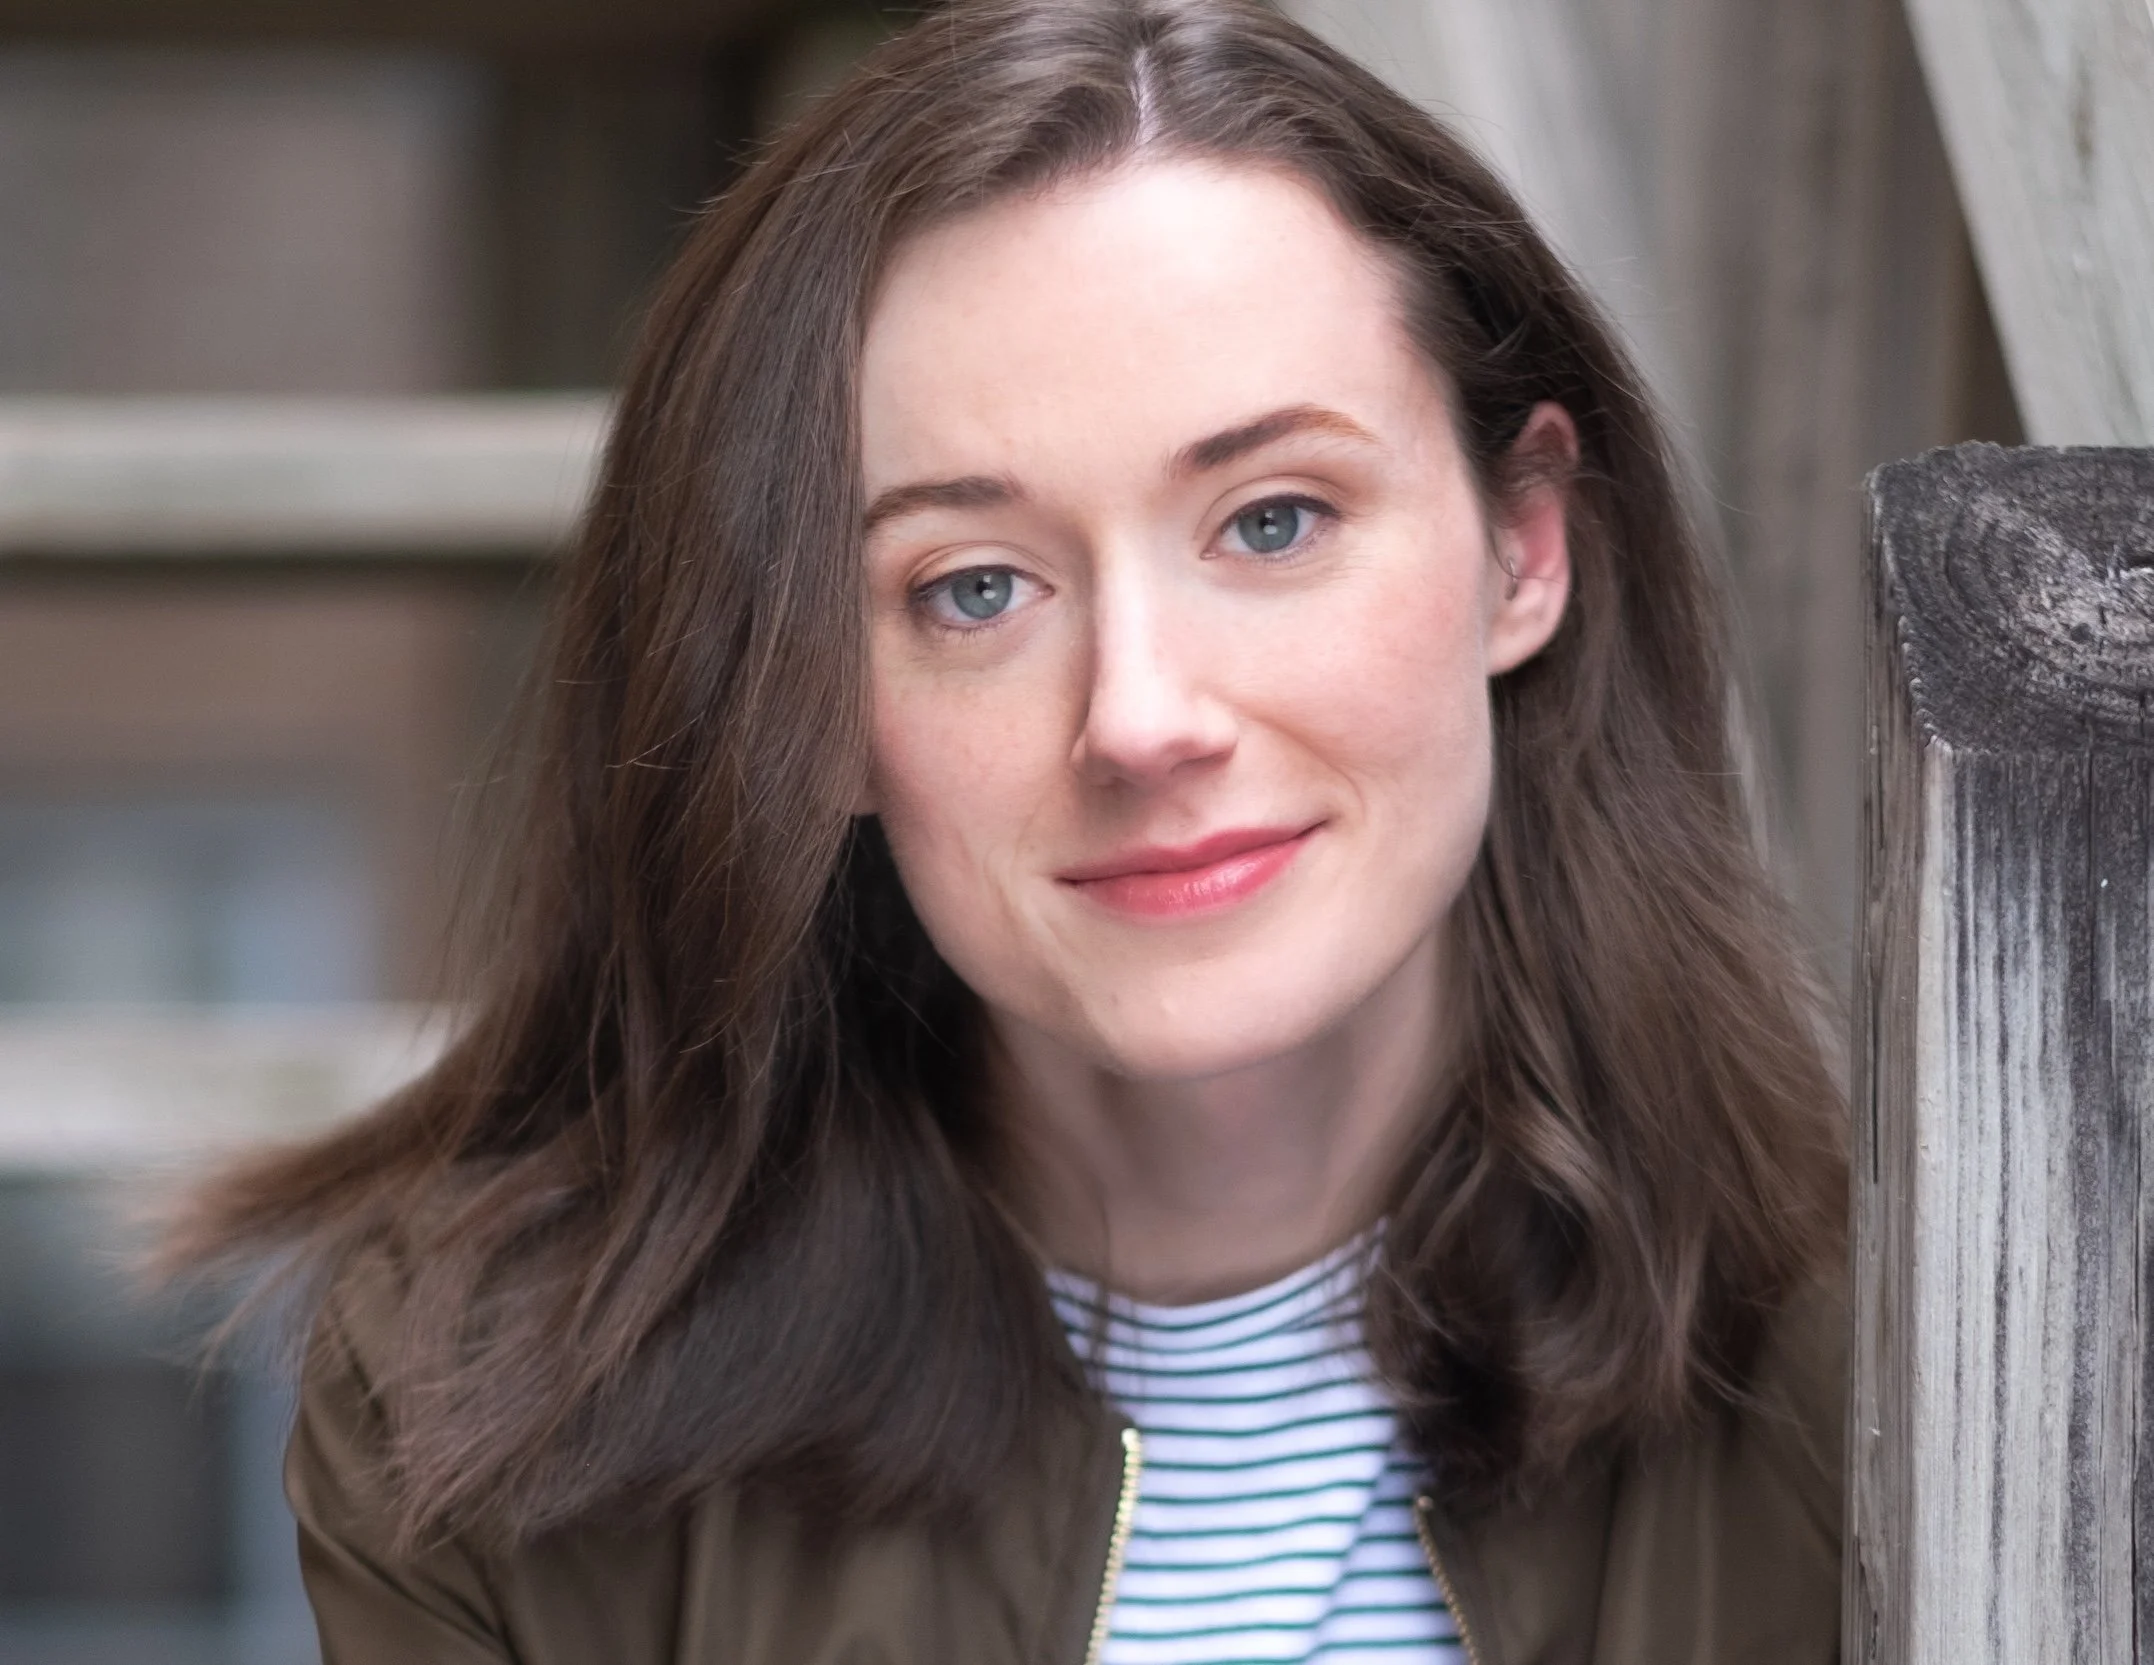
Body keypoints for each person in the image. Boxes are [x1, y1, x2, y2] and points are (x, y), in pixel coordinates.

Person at [169, 1, 1849, 1660]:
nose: (1139, 716)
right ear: (806, 700)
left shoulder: (1892, 1346)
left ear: (1522, 552)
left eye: (1272, 521)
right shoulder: (479, 1415)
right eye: (973, 589)